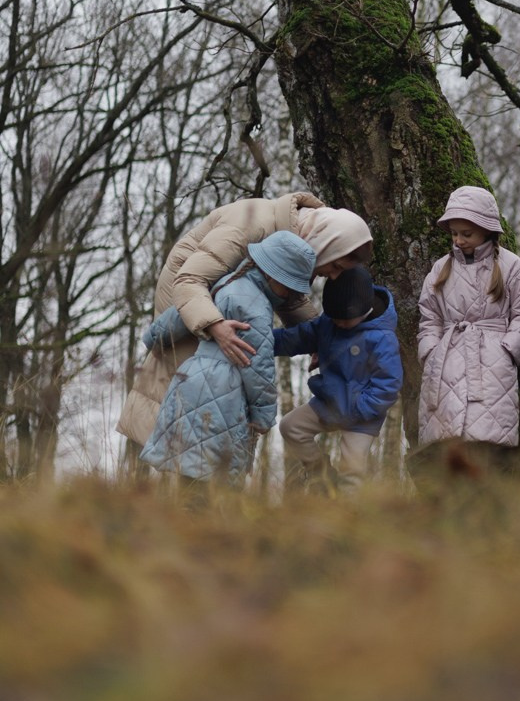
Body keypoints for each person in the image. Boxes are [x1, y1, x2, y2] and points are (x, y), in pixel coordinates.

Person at [118, 192, 373, 449]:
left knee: (220, 396)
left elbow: (291, 300)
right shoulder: (251, 225)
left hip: (223, 301)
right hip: (189, 297)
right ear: (327, 244)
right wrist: (214, 325)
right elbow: (189, 281)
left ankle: (197, 473)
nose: (334, 276)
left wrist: (320, 340)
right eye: (337, 266)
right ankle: (171, 475)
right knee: (187, 396)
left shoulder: (297, 245)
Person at [139, 231, 317, 482]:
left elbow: (184, 313)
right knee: (215, 487)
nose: (290, 295)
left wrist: (155, 336)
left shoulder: (225, 282)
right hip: (224, 392)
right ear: (273, 274)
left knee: (188, 477)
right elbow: (257, 365)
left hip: (189, 383)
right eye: (289, 286)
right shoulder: (254, 307)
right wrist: (264, 415)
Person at [417, 186, 520, 456]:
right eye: (454, 233)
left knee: (488, 446)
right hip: (445, 363)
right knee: (445, 449)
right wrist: (429, 350)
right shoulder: (440, 268)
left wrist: (508, 350)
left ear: (487, 229)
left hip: (492, 365)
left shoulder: (511, 266)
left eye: (466, 234)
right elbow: (429, 316)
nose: (459, 240)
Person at [273, 266, 403, 492]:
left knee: (352, 471)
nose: (339, 323)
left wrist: (360, 409)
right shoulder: (328, 322)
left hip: (362, 416)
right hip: (328, 402)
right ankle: (320, 472)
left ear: (364, 310)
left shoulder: (382, 338)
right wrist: (262, 340)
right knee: (290, 427)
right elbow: (297, 337)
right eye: (334, 318)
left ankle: (346, 515)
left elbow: (389, 384)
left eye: (345, 320)